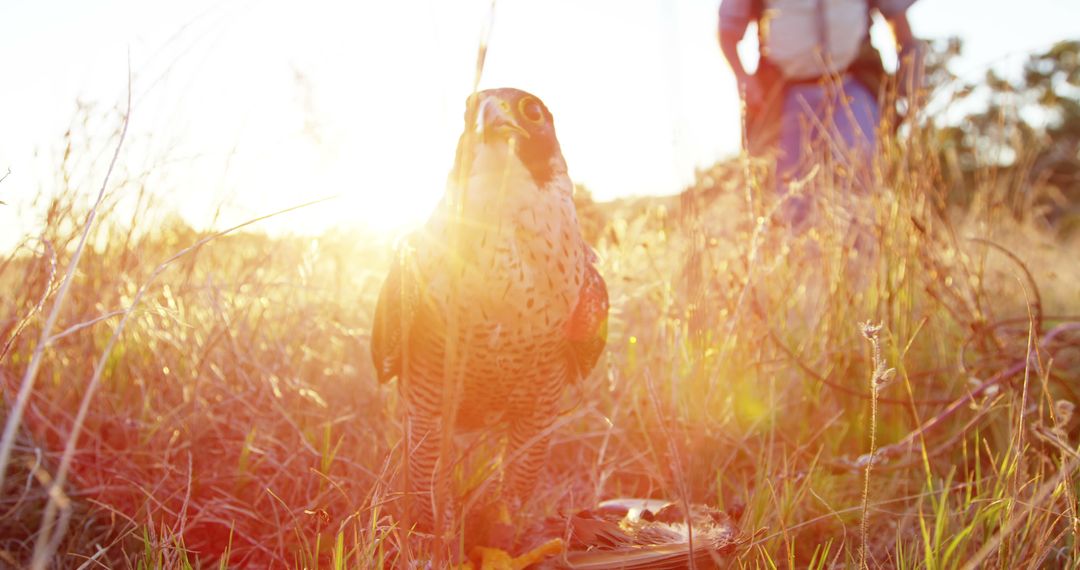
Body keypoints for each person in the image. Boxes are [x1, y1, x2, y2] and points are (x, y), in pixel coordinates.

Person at [718, 0, 923, 228]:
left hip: (853, 84)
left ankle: (861, 255)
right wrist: (742, 76)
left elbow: (898, 19)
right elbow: (728, 29)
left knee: (860, 180)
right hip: (786, 92)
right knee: (790, 193)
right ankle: (800, 257)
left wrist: (909, 71)